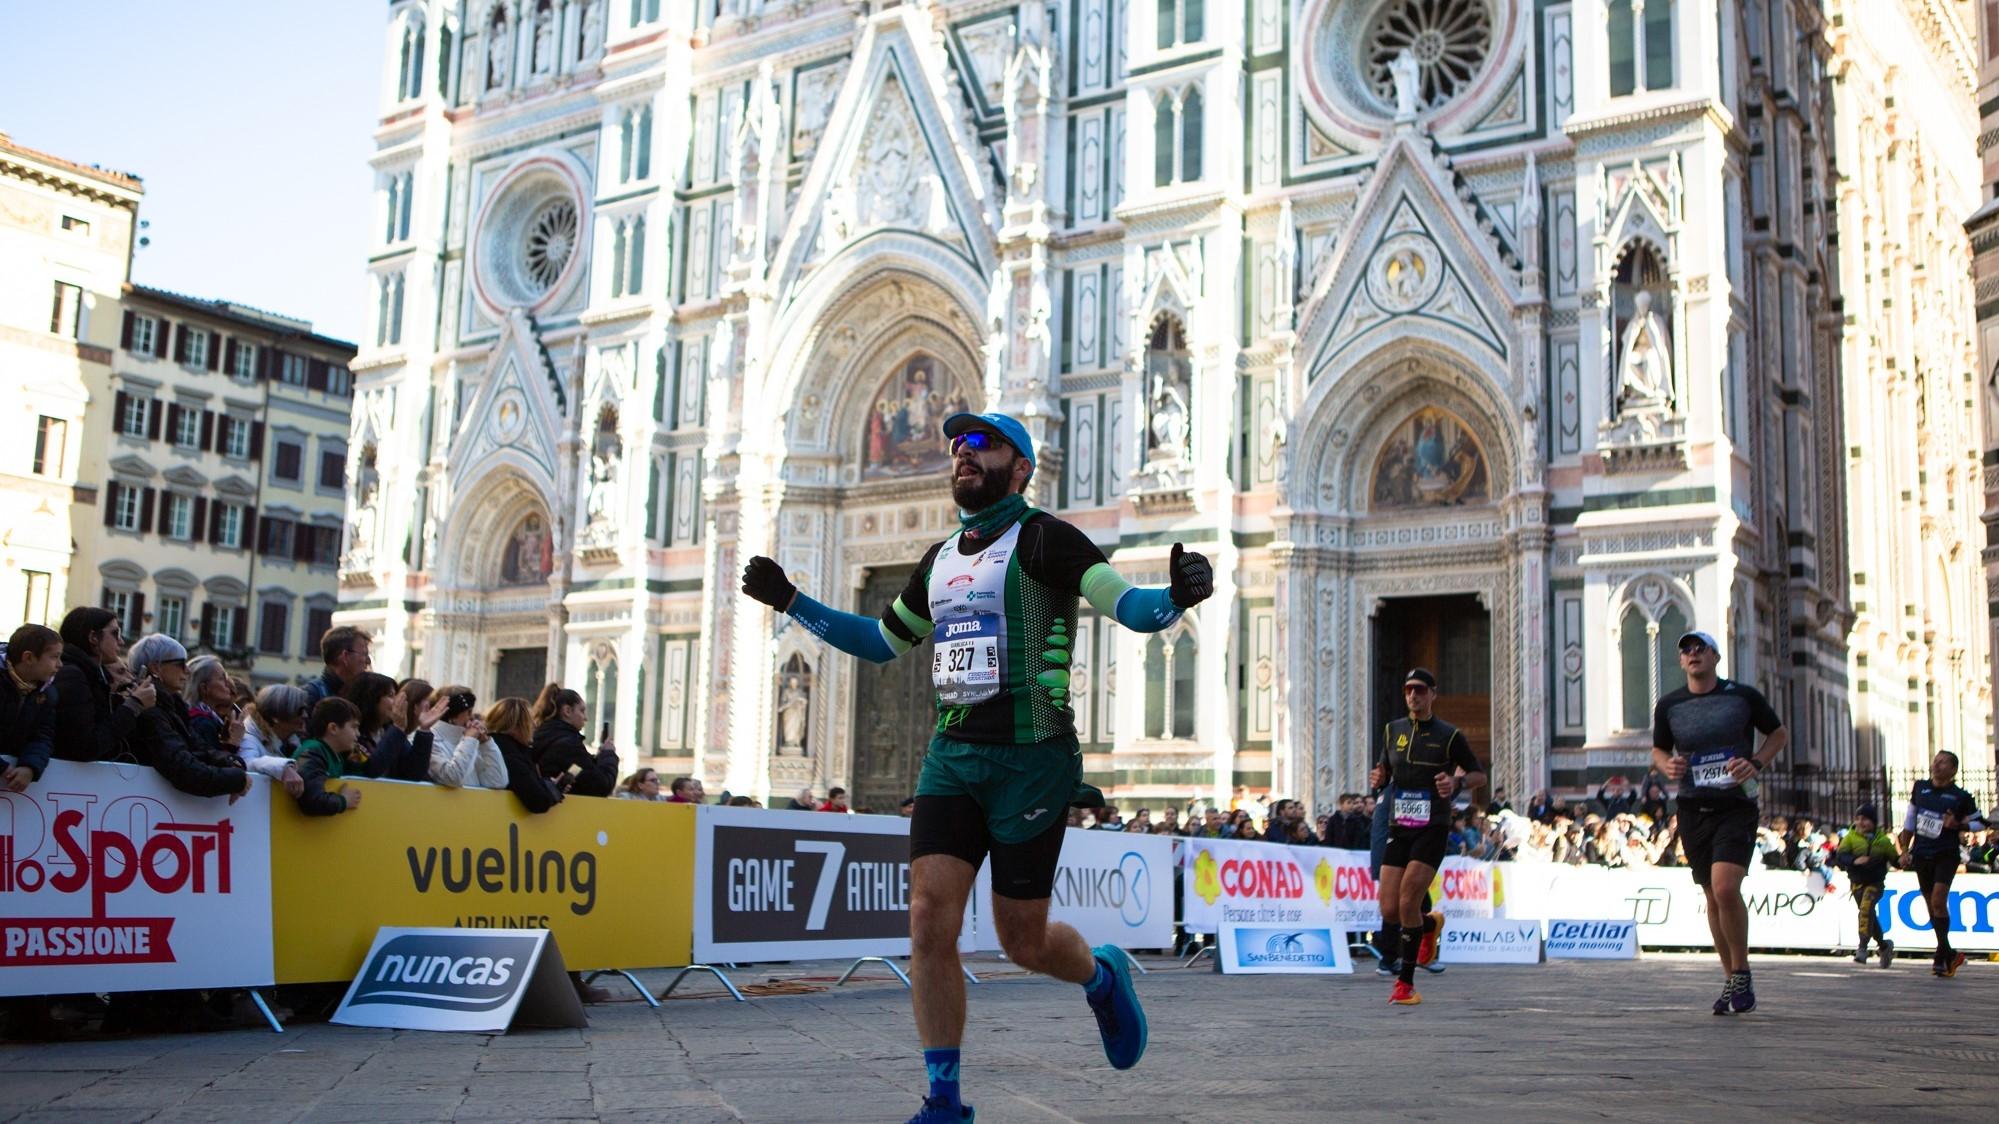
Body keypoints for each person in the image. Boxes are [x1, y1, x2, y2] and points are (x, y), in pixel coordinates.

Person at [739, 410, 1212, 1123]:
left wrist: (1174, 597)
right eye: (957, 444)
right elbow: (880, 642)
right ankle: (944, 1099)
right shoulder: (940, 558)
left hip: (1032, 762)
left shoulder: (1046, 537)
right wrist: (793, 602)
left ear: (1020, 468)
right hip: (952, 758)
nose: (963, 452)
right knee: (929, 921)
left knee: (1022, 939)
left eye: (982, 444)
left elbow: (1127, 605)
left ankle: (1100, 975)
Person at [1650, 629, 1787, 1015]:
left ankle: (1741, 972)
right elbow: (1659, 749)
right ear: (1681, 662)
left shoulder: (1741, 697)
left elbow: (1778, 733)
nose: (1692, 654)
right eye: (1686, 650)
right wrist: (1667, 765)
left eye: (1700, 648)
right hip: (1693, 808)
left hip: (1735, 805)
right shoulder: (1670, 705)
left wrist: (1756, 762)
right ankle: (1730, 979)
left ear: (1715, 657)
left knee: (1727, 888)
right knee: (1711, 895)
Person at [1369, 667, 1485, 1006]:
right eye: (1408, 690)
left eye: (1420, 690)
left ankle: (1405, 985)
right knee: (1390, 909)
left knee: (1408, 900)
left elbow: (1478, 774)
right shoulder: (1393, 730)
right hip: (1397, 825)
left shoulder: (1449, 735)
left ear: (1433, 693)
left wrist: (1458, 783)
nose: (1413, 696)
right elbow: (1384, 770)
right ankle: (1429, 925)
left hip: (1432, 826)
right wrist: (1379, 776)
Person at [126, 635, 254, 802]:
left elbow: (200, 749)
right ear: (156, 668)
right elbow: (182, 768)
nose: (187, 670)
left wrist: (232, 762)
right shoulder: (150, 711)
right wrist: (235, 778)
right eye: (180, 664)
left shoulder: (174, 707)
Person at [1897, 750, 1987, 978]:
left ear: (1953, 770)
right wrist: (1905, 850)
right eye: (1935, 761)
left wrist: (1957, 824)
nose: (1936, 765)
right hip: (1922, 852)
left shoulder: (1960, 796)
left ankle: (1941, 954)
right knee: (1931, 905)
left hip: (1945, 854)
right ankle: (1948, 953)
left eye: (1943, 762)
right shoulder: (1920, 788)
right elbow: (1910, 820)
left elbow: (1980, 823)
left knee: (1938, 900)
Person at [50, 606, 148, 763]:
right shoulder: (73, 675)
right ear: (93, 637)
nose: (121, 641)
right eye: (115, 633)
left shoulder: (89, 674)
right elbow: (85, 746)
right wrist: (134, 704)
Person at [341, 672, 442, 781]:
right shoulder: (350, 732)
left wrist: (424, 730)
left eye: (396, 695)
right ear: (371, 699)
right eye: (390, 696)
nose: (396, 702)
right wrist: (398, 728)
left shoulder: (389, 731)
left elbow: (414, 773)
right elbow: (371, 770)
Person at [1833, 802, 1897, 967]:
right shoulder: (1850, 837)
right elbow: (1840, 856)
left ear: (1874, 822)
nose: (1861, 822)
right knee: (1868, 915)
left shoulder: (1882, 841)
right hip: (1856, 883)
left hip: (1875, 883)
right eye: (1858, 818)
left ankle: (1862, 949)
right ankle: (1884, 946)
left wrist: (1903, 860)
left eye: (1865, 819)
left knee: (1866, 910)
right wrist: (1855, 860)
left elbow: (1895, 860)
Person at [1, 624, 60, 791]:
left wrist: (30, 767)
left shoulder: (47, 694)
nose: (60, 664)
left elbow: (42, 736)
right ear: (28, 658)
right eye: (54, 657)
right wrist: (3, 768)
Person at [529, 685, 618, 796]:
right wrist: (608, 754)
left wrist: (598, 759)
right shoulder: (568, 745)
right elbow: (601, 785)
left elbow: (577, 772)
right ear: (567, 711)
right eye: (582, 710)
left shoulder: (544, 737)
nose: (585, 718)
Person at [291, 698, 368, 816]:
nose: (358, 733)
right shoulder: (313, 751)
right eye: (354, 727)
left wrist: (354, 765)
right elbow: (312, 800)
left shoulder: (333, 755)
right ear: (333, 728)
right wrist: (344, 801)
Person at [486, 697, 563, 813]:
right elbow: (537, 800)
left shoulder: (496, 746)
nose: (534, 726)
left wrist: (548, 784)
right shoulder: (511, 754)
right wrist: (552, 789)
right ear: (517, 726)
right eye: (530, 721)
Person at [426, 686, 508, 789]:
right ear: (453, 716)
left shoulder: (471, 741)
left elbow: (497, 781)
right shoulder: (431, 739)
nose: (472, 718)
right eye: (469, 712)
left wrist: (486, 744)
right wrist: (469, 740)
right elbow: (452, 778)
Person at [239, 684, 309, 797]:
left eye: (305, 709)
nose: (305, 715)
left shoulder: (293, 742)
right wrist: (284, 768)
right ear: (275, 717)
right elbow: (246, 764)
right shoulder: (248, 737)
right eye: (299, 710)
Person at [301, 624, 371, 707]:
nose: (368, 661)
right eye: (364, 654)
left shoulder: (362, 697)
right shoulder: (310, 696)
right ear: (345, 656)